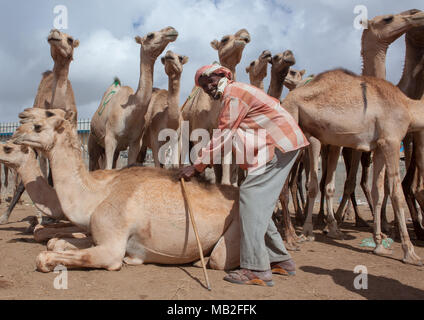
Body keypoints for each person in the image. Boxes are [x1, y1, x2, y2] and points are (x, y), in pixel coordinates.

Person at [179, 63, 309, 287]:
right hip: (279, 145)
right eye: (202, 85)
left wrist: (197, 166)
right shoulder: (234, 94)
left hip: (279, 144)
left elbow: (223, 134)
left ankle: (256, 268)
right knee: (256, 203)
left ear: (223, 74)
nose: (207, 88)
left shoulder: (234, 93)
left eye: (209, 81)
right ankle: (280, 260)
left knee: (249, 195)